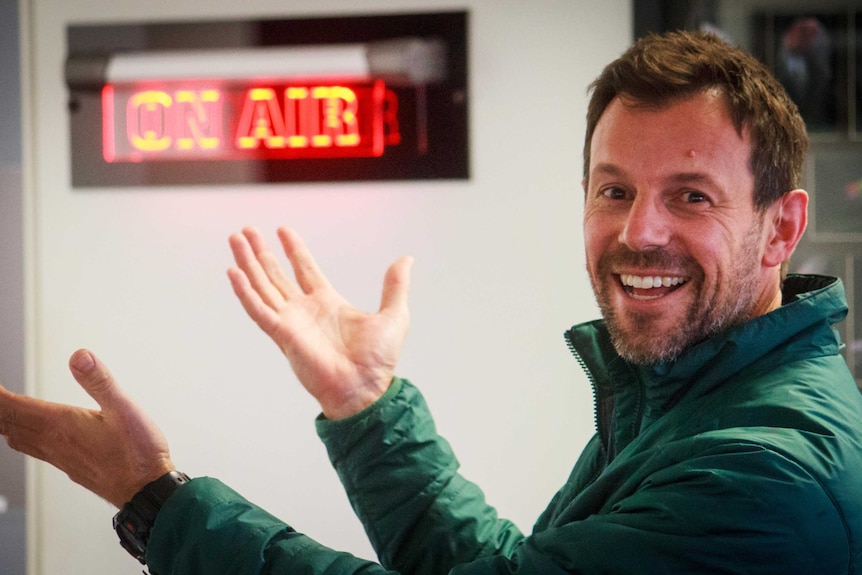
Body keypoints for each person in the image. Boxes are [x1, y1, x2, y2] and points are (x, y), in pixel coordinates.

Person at [2, 30, 862, 574]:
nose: (640, 231)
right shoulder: (688, 398)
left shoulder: (764, 474)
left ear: (781, 229)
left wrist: (156, 498)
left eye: (692, 196)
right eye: (612, 189)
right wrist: (365, 405)